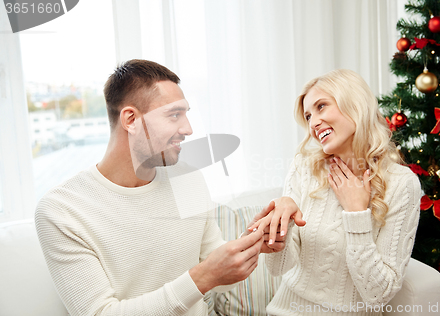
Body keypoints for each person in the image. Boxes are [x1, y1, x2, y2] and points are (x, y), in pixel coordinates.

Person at [34, 59, 297, 316]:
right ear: (130, 120)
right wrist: (201, 278)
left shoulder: (187, 178)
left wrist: (250, 244)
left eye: (186, 114)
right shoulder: (62, 210)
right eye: (174, 115)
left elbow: (221, 278)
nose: (188, 129)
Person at [248, 69, 421, 315]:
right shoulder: (304, 167)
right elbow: (279, 268)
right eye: (308, 116)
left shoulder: (402, 184)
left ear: (355, 104)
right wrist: (280, 229)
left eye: (321, 107)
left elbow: (378, 295)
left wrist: (356, 213)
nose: (313, 123)